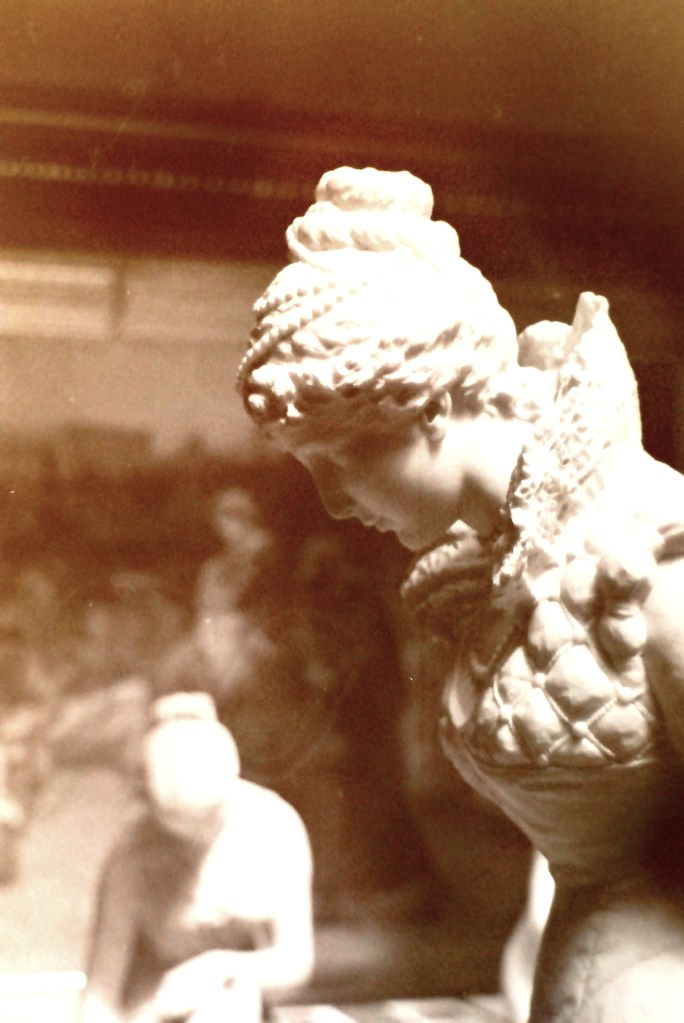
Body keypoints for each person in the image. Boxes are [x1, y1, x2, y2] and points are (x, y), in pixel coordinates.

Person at [236, 165, 684, 1021]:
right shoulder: (505, 563)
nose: (333, 504)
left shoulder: (650, 558)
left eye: (340, 458)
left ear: (431, 405)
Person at [80, 691, 314, 1023]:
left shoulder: (274, 826)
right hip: (149, 1010)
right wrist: (155, 1009)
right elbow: (100, 997)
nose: (197, 838)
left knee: (232, 997)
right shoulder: (133, 856)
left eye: (210, 821)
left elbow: (295, 961)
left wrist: (218, 967)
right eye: (178, 829)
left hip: (238, 1004)